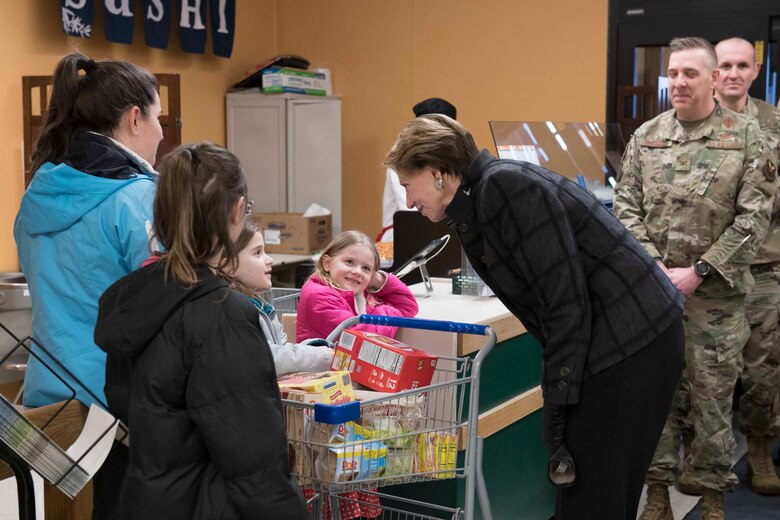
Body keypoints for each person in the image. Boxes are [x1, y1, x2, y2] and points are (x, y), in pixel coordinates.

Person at [384, 113, 686, 520]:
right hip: (621, 338)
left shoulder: (504, 188)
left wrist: (558, 409)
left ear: (436, 172)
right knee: (591, 492)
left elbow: (564, 304)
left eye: (407, 184)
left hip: (631, 342)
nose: (407, 201)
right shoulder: (482, 195)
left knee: (597, 495)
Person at [94, 142, 309, 520]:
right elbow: (255, 467)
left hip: (148, 500)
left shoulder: (138, 299)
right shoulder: (222, 316)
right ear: (237, 210)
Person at [614, 37, 776, 520]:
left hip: (717, 301)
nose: (679, 83)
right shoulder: (647, 136)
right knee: (657, 400)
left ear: (710, 79)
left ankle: (711, 501)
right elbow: (625, 209)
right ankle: (658, 495)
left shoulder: (747, 136)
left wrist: (699, 271)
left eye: (690, 74)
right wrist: (654, 268)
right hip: (655, 296)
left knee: (711, 405)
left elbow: (755, 218)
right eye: (673, 74)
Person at [14, 52, 163, 409]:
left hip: (46, 393)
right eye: (158, 118)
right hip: (113, 401)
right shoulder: (139, 197)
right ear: (135, 119)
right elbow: (166, 304)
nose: (161, 131)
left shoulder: (36, 194)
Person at [714, 36, 780, 496]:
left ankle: (758, 449)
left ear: (755, 71)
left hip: (763, 268)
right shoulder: (691, 122)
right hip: (706, 270)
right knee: (706, 372)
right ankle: (704, 456)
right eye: (725, 65)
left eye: (742, 65)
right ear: (713, 73)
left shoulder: (775, 123)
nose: (734, 73)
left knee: (762, 369)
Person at [223, 221, 334, 375]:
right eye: (257, 253)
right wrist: (321, 356)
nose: (269, 260)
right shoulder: (233, 310)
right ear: (228, 263)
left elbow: (280, 347)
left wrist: (314, 348)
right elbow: (267, 357)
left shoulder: (262, 303)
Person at [297, 230, 418, 341]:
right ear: (327, 263)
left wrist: (377, 280)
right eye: (349, 262)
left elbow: (408, 306)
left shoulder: (361, 295)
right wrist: (388, 312)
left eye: (366, 268)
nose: (357, 272)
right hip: (323, 364)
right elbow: (363, 338)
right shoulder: (318, 296)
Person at [379, 98, 457, 242]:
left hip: (439, 233)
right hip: (403, 238)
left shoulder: (451, 160)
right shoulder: (403, 161)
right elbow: (413, 209)